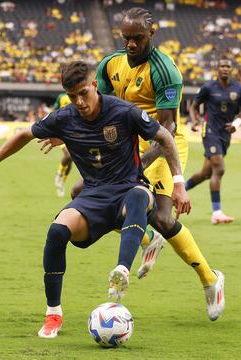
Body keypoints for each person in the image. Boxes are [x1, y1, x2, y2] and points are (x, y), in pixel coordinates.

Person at [0, 61, 191, 339]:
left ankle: (121, 270)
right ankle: (53, 314)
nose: (79, 102)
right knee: (57, 231)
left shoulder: (123, 111)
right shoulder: (65, 117)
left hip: (129, 188)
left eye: (84, 93)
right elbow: (23, 135)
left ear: (94, 85)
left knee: (139, 195)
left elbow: (165, 136)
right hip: (93, 195)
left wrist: (178, 184)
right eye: (72, 96)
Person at [70, 7, 225, 321]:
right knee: (80, 195)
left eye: (137, 38)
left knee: (165, 219)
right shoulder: (110, 64)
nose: (130, 44)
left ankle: (211, 280)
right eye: (126, 37)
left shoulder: (165, 71)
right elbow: (98, 107)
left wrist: (141, 166)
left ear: (151, 34)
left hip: (162, 147)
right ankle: (145, 238)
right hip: (127, 148)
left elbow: (166, 130)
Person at [186, 58, 241, 224]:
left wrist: (237, 123)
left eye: (228, 66)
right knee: (219, 168)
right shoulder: (208, 88)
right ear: (217, 69)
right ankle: (217, 213)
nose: (225, 69)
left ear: (232, 69)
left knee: (206, 173)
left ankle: (176, 192)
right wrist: (195, 120)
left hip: (225, 134)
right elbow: (193, 106)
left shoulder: (239, 89)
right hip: (210, 131)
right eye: (222, 66)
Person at [53, 92, 73, 197]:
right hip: (62, 130)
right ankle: (59, 173)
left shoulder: (77, 95)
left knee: (71, 161)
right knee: (68, 156)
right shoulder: (61, 96)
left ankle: (62, 184)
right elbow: (55, 110)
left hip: (74, 130)